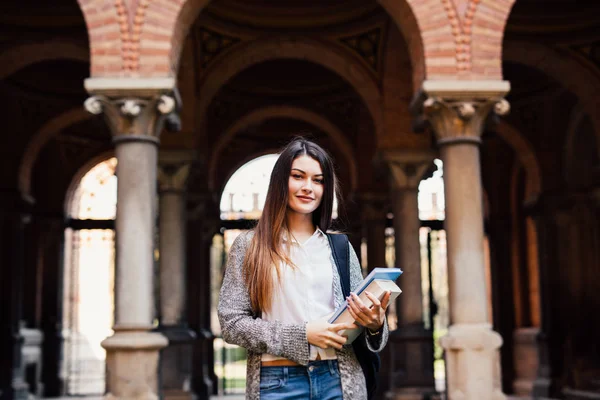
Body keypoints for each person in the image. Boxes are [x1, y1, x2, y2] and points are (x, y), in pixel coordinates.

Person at [218, 138, 391, 399]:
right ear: (280, 182)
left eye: (318, 180)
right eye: (298, 176)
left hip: (339, 380)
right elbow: (232, 323)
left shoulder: (340, 247)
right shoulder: (249, 246)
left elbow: (361, 323)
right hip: (278, 382)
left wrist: (375, 324)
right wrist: (303, 334)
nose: (308, 187)